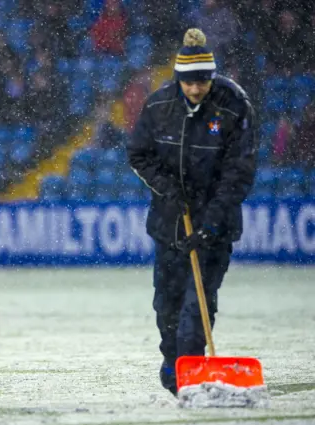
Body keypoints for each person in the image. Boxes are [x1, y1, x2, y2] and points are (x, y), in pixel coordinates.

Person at [126, 28, 257, 396]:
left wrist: (210, 225)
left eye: (203, 82)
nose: (197, 89)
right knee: (165, 304)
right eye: (189, 83)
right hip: (170, 224)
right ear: (178, 78)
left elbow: (239, 172)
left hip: (216, 226)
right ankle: (175, 368)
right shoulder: (158, 106)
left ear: (212, 77)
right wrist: (169, 191)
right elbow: (138, 155)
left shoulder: (234, 106)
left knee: (196, 306)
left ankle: (191, 370)